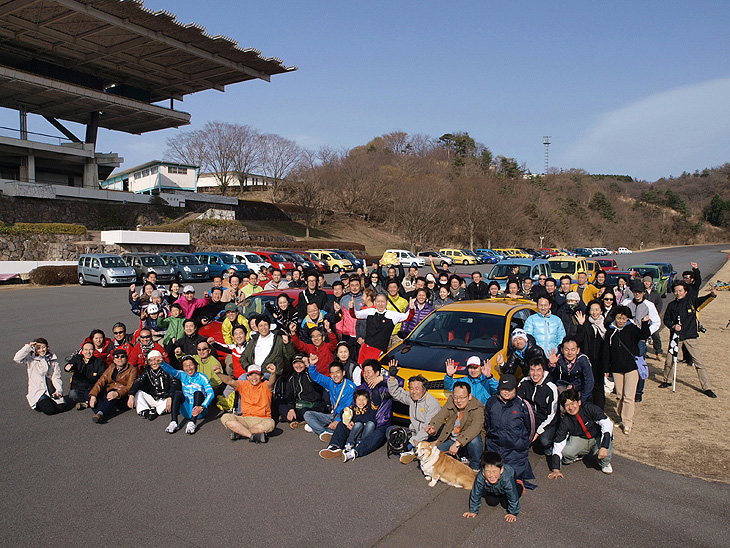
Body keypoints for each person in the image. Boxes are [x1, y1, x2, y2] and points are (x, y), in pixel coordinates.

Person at [660, 282, 717, 398]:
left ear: (685, 291)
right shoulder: (671, 305)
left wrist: (712, 295)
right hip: (676, 337)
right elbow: (666, 320)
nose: (678, 293)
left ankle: (707, 387)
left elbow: (705, 299)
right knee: (669, 360)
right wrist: (673, 326)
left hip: (690, 337)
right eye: (676, 291)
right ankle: (667, 380)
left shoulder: (692, 302)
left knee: (699, 362)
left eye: (680, 290)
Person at [602, 306, 651, 434]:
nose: (621, 321)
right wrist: (606, 368)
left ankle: (627, 422)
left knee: (628, 396)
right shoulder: (610, 331)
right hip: (617, 368)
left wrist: (645, 323)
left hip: (631, 368)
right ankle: (622, 417)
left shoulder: (632, 328)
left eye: (624, 318)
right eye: (619, 318)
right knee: (619, 396)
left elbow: (644, 335)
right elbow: (606, 351)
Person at [548, 389, 614, 477]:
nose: (571, 408)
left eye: (572, 403)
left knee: (607, 442)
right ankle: (580, 455)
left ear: (579, 402)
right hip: (582, 439)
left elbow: (607, 424)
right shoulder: (565, 421)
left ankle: (604, 463)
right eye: (567, 405)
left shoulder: (590, 408)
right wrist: (556, 469)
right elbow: (558, 442)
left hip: (597, 438)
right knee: (566, 454)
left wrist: (604, 447)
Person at [386, 360, 442, 463]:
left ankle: (410, 451)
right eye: (411, 388)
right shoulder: (412, 398)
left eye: (417, 388)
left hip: (427, 437)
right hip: (414, 433)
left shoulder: (432, 403)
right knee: (390, 430)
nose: (413, 391)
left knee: (406, 444)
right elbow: (396, 393)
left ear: (424, 388)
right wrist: (392, 377)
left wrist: (412, 442)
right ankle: (409, 452)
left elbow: (427, 430)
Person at [483, 374, 535, 481]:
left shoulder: (523, 405)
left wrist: (522, 442)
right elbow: (487, 423)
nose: (506, 392)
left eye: (510, 389)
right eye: (503, 389)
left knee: (510, 479)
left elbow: (531, 427)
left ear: (515, 389)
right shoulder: (491, 402)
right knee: (492, 479)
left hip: (516, 451)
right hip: (495, 448)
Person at [425, 381, 485, 471]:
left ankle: (475, 465)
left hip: (467, 441)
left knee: (475, 440)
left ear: (469, 396)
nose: (458, 401)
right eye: (456, 397)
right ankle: (458, 457)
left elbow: (475, 428)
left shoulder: (478, 407)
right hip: (453, 440)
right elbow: (440, 416)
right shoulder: (451, 402)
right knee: (436, 456)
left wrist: (457, 443)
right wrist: (433, 426)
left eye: (462, 397)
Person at [216, 363, 277, 443]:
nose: (254, 378)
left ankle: (240, 432)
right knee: (225, 417)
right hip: (245, 419)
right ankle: (251, 435)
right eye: (251, 375)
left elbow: (272, 382)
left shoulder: (266, 385)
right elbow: (229, 381)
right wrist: (218, 373)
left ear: (262, 377)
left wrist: (273, 373)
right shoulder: (243, 385)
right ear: (247, 377)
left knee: (270, 424)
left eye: (257, 375)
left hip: (263, 419)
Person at [303, 356, 356, 440]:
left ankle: (320, 429)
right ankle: (323, 432)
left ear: (343, 373)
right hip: (332, 415)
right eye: (332, 373)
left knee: (309, 426)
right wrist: (312, 365)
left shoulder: (351, 387)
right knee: (307, 414)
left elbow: (348, 408)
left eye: (338, 372)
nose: (335, 375)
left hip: (344, 417)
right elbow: (316, 377)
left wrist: (337, 421)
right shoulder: (330, 382)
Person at [349, 293, 414, 362]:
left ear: (387, 302)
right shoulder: (370, 311)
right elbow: (355, 315)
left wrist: (412, 308)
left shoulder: (393, 315)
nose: (380, 304)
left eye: (382, 301)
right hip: (365, 348)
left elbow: (408, 317)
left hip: (379, 351)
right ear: (374, 302)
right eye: (378, 301)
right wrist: (352, 307)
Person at [624, 280, 661, 403]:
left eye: (639, 292)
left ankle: (639, 391)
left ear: (644, 293)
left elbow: (657, 322)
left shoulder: (649, 305)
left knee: (640, 365)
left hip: (640, 340)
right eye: (635, 292)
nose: (637, 294)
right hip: (628, 339)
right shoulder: (626, 303)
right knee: (627, 365)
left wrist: (646, 332)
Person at [320, 388, 381, 460]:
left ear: (368, 400)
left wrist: (374, 388)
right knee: (358, 424)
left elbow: (376, 397)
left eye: (364, 399)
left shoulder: (371, 407)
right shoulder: (353, 408)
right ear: (355, 400)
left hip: (366, 430)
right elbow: (344, 413)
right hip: (356, 429)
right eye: (359, 400)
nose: (361, 402)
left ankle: (362, 443)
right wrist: (347, 419)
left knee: (371, 424)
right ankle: (348, 444)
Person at [160, 354, 214, 434]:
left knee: (198, 393)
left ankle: (192, 422)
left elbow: (211, 393)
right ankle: (174, 422)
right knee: (177, 393)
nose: (188, 368)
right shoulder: (182, 375)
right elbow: (171, 371)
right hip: (186, 411)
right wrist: (162, 363)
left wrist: (202, 406)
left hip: (199, 412)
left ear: (195, 365)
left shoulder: (202, 377)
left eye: (191, 365)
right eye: (185, 366)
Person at [463, 451, 523, 522]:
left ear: (501, 470)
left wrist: (513, 513)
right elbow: (475, 492)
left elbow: (512, 495)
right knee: (492, 502)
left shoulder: (507, 479)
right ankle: (497, 492)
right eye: (488, 471)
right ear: (483, 472)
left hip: (509, 485)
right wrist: (473, 511)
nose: (492, 475)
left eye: (495, 471)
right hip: (494, 488)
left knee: (505, 504)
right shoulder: (480, 476)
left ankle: (520, 485)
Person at [13, 338, 67, 415]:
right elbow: (17, 358)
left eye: (44, 347)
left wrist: (58, 390)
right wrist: (28, 347)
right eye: (38, 348)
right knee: (50, 411)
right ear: (35, 349)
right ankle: (39, 403)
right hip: (39, 391)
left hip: (50, 389)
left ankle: (50, 400)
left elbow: (56, 377)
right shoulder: (31, 360)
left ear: (47, 347)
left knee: (62, 408)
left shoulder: (52, 359)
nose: (41, 350)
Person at [517, 357, 559, 456]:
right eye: (532, 370)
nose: (535, 374)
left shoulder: (551, 388)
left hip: (546, 420)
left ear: (544, 371)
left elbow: (552, 414)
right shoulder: (524, 382)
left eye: (538, 370)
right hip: (529, 418)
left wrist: (538, 432)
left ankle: (548, 447)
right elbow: (517, 402)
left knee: (544, 441)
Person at [88, 348, 138, 423]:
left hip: (122, 396)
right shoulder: (111, 367)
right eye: (117, 357)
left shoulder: (132, 370)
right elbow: (101, 381)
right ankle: (106, 409)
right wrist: (93, 395)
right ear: (114, 360)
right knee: (88, 392)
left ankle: (100, 414)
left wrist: (117, 393)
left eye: (122, 356)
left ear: (126, 358)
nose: (119, 359)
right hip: (109, 391)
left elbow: (130, 387)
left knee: (111, 394)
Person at [127, 350, 178, 420]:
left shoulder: (167, 369)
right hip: (154, 398)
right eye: (151, 360)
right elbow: (139, 381)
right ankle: (144, 411)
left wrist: (170, 397)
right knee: (138, 392)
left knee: (175, 396)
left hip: (165, 399)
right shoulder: (148, 371)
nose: (154, 363)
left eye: (156, 360)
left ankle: (156, 411)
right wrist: (131, 395)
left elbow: (174, 383)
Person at [576, 300, 608, 408]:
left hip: (600, 361)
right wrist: (580, 325)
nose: (594, 312)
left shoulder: (605, 325)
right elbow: (578, 340)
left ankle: (599, 409)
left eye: (597, 309)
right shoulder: (586, 323)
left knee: (599, 386)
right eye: (592, 310)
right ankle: (587, 408)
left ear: (601, 311)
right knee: (587, 385)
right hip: (587, 361)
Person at [279, 353, 326, 428]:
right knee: (280, 404)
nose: (298, 365)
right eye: (295, 363)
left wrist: (309, 365)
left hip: (313, 406)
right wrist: (291, 408)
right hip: (299, 405)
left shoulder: (311, 374)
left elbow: (318, 385)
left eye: (301, 362)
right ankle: (295, 421)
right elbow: (289, 394)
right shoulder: (292, 378)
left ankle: (292, 419)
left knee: (305, 412)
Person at [547, 338, 594, 403]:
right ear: (562, 350)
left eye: (573, 350)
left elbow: (589, 381)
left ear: (578, 350)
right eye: (566, 349)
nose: (569, 353)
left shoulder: (583, 360)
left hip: (578, 388)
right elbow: (552, 377)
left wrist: (582, 400)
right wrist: (552, 365)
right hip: (562, 386)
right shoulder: (558, 358)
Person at [64, 341, 107, 409]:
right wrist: (68, 367)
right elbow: (70, 365)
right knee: (72, 394)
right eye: (86, 350)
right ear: (82, 351)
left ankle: (86, 403)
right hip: (79, 388)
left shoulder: (99, 362)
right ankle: (88, 402)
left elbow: (103, 377)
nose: (88, 352)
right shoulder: (77, 358)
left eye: (90, 349)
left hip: (92, 388)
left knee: (102, 394)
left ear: (94, 351)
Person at [642, 275, 664, 357]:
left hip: (653, 317)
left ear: (651, 282)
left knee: (656, 335)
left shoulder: (655, 293)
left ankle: (658, 351)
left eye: (648, 281)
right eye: (645, 281)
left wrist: (655, 313)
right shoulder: (642, 292)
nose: (647, 283)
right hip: (644, 317)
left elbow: (659, 303)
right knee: (643, 336)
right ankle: (644, 352)